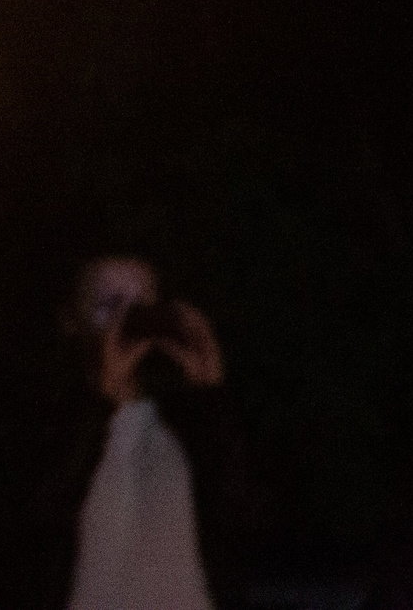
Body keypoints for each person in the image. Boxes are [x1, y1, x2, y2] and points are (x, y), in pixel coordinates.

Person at [21, 254, 252, 610]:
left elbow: (243, 516)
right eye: (108, 305)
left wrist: (211, 394)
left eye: (141, 308)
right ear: (70, 320)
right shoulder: (45, 422)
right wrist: (100, 399)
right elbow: (37, 517)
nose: (126, 321)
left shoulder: (184, 424)